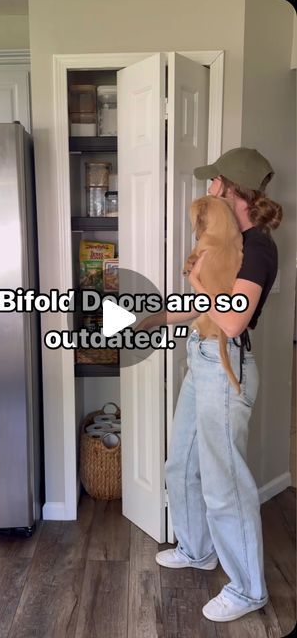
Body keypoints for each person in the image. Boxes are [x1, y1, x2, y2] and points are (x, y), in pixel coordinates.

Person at [141, 147, 282, 622]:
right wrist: (153, 316)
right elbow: (206, 310)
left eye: (212, 181)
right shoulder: (229, 240)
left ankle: (247, 589)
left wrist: (200, 283)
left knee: (226, 484)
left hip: (226, 370)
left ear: (229, 187)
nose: (207, 189)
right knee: (180, 463)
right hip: (200, 358)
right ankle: (197, 548)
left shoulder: (257, 247)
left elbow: (234, 320)